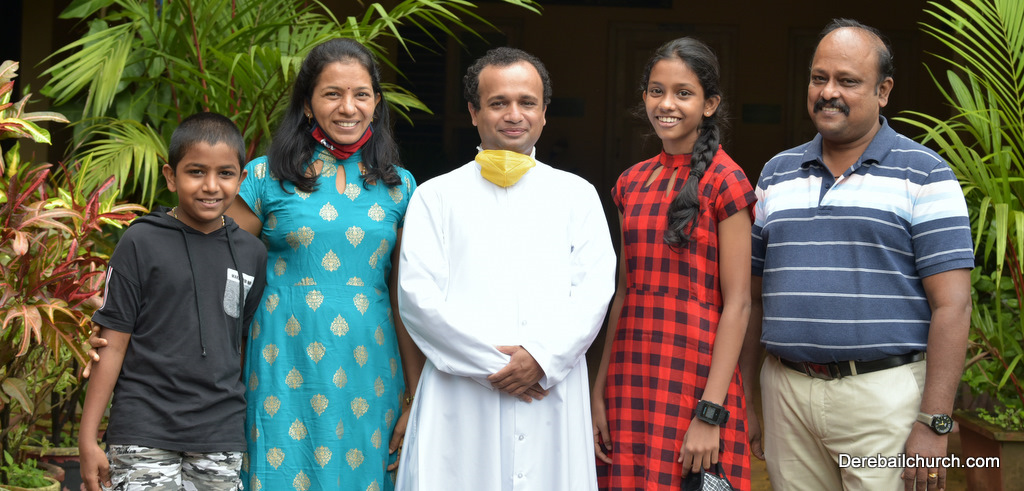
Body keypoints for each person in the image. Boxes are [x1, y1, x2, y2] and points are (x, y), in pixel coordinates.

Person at [743, 18, 974, 491]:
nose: (828, 92)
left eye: (847, 81)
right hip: (785, 392)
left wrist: (934, 422)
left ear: (883, 91)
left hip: (883, 397)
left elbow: (953, 305)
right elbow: (752, 298)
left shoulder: (926, 175)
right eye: (819, 78)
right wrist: (745, 396)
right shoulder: (776, 173)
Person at [393, 47, 616, 490]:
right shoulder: (435, 197)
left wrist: (542, 358)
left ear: (544, 112)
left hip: (549, 388)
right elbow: (418, 300)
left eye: (527, 102)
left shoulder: (577, 195)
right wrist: (497, 367)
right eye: (498, 103)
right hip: (462, 392)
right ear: (473, 112)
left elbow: (594, 291)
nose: (514, 115)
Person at [225, 38, 422, 491]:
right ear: (307, 104)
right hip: (278, 360)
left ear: (376, 102)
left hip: (371, 367)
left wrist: (415, 394)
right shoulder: (264, 176)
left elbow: (406, 298)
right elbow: (222, 272)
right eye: (332, 94)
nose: (348, 107)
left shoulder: (402, 186)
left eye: (361, 94)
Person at [590, 37, 755, 490]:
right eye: (656, 91)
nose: (667, 104)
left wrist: (710, 411)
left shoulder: (727, 181)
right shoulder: (630, 183)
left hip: (697, 381)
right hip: (630, 376)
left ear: (709, 104)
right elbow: (624, 293)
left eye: (684, 93)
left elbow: (739, 304)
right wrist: (598, 390)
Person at [79, 112, 268, 491]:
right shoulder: (140, 242)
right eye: (196, 172)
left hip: (219, 434)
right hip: (143, 429)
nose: (211, 186)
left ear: (242, 179)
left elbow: (240, 341)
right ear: (170, 176)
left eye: (225, 174)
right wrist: (87, 439)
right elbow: (112, 344)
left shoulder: (252, 253)